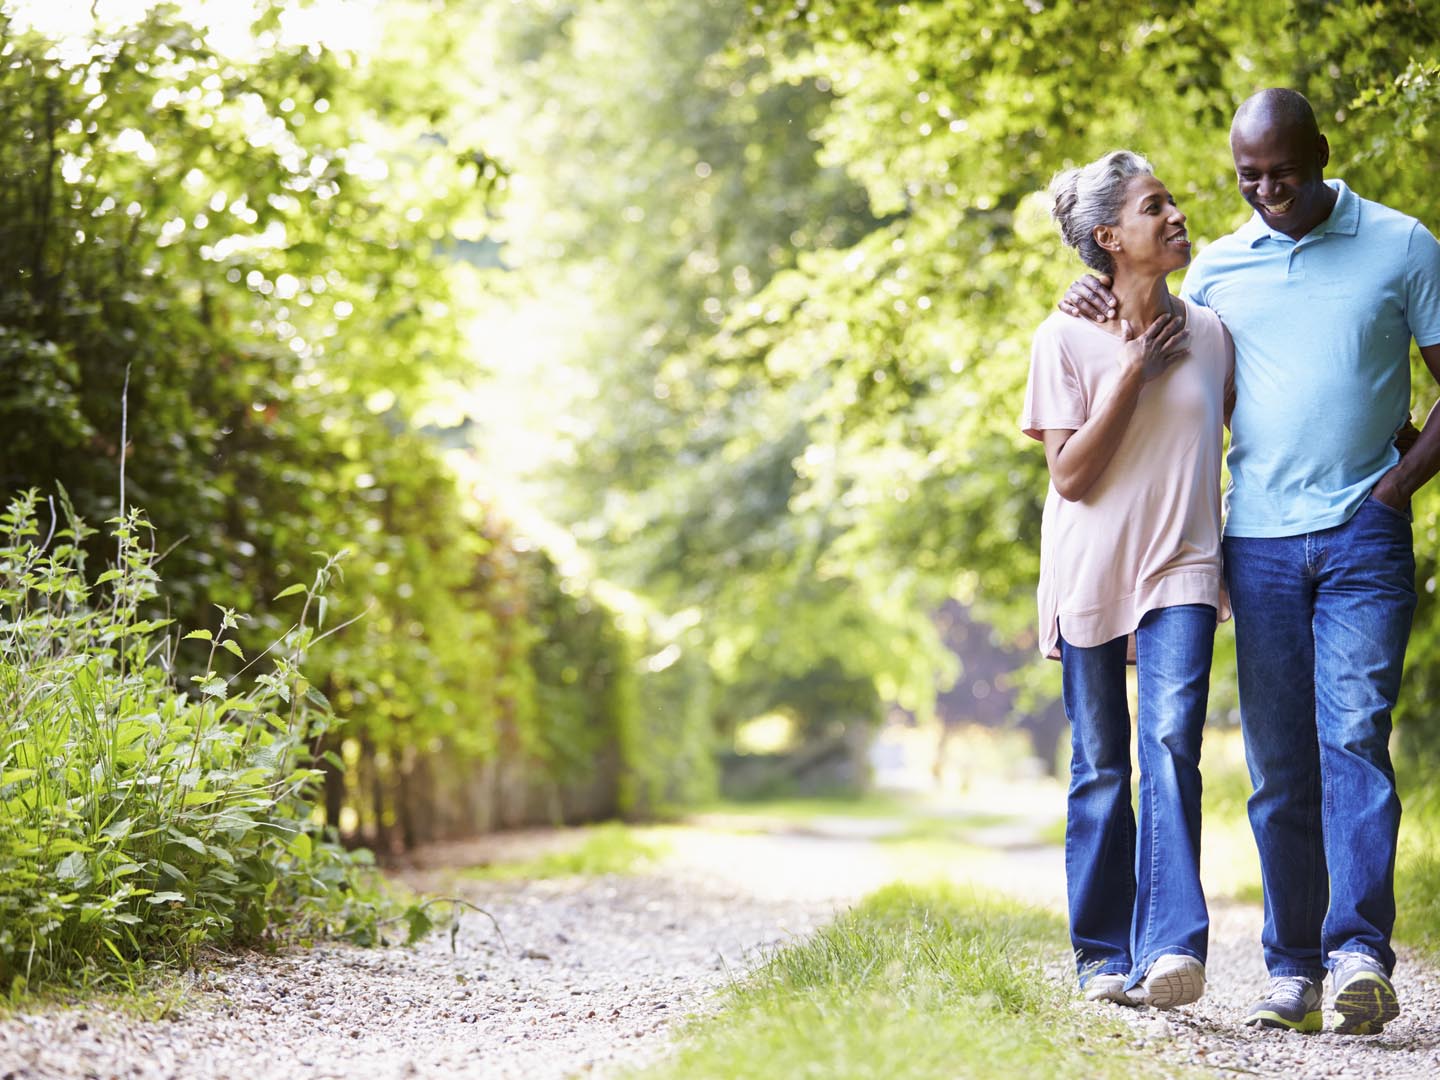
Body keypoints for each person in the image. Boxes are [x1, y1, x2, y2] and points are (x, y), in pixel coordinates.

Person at [1061, 88, 1440, 1035]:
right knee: (1275, 767)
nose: (1267, 190)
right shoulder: (1221, 273)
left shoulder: (1403, 245)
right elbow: (1147, 337)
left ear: (1321, 151)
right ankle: (1292, 968)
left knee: (1355, 734)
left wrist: (1395, 490)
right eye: (1249, 177)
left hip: (1364, 534)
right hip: (1257, 542)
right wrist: (1087, 292)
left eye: (1284, 171)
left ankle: (1360, 953)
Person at [1023, 150, 1234, 1009]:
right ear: (1110, 237)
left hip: (1183, 562)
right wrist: (1130, 372)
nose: (1178, 213)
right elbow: (1071, 476)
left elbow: (1254, 434)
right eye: (1156, 206)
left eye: (1173, 200)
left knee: (1171, 741)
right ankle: (1101, 956)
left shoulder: (1215, 332)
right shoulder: (1062, 337)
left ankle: (1172, 948)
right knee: (1103, 763)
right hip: (1091, 574)